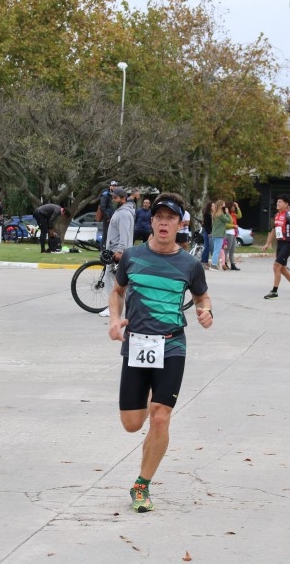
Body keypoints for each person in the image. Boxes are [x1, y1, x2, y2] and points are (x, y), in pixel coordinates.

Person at [106, 192, 213, 513]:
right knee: (131, 423)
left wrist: (206, 312)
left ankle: (142, 484)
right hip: (137, 344)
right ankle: (148, 419)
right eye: (158, 217)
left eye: (171, 217)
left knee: (161, 418)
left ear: (180, 224)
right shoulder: (132, 257)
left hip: (172, 345)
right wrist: (114, 320)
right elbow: (117, 292)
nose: (164, 222)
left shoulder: (190, 264)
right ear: (151, 221)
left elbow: (202, 298)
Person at [98, 187, 135, 317]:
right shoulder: (120, 212)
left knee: (112, 277)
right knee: (121, 280)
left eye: (116, 198)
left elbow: (124, 235)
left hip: (117, 252)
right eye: (112, 197)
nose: (113, 200)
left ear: (123, 198)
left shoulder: (124, 214)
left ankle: (112, 307)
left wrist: (119, 251)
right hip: (114, 250)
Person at [262, 194, 290, 299]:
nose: (277, 203)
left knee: (276, 266)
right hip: (280, 244)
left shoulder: (288, 215)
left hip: (287, 244)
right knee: (283, 269)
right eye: (277, 202)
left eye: (280, 202)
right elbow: (273, 230)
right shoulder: (277, 215)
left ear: (286, 204)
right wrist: (268, 243)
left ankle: (274, 292)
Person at [210, 199, 231, 271]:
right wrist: (227, 213)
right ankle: (213, 265)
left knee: (216, 250)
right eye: (224, 205)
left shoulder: (215, 214)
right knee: (217, 250)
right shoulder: (221, 214)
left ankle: (214, 264)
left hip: (215, 234)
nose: (225, 206)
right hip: (219, 235)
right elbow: (229, 220)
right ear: (221, 206)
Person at [224, 201, 243, 271]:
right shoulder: (227, 215)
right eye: (233, 206)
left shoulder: (233, 214)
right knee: (227, 249)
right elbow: (225, 225)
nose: (234, 208)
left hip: (233, 233)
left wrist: (238, 207)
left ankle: (232, 264)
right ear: (229, 207)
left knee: (232, 250)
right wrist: (233, 226)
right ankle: (225, 263)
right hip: (228, 233)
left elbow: (240, 216)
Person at [99, 180, 118, 247]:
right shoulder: (105, 194)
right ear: (110, 186)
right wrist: (108, 217)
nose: (114, 187)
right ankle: (102, 250)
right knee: (105, 234)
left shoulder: (115, 195)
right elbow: (102, 207)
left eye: (115, 186)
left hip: (114, 217)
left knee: (112, 234)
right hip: (108, 218)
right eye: (113, 186)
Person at [200, 200, 214, 269]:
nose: (214, 207)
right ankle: (203, 261)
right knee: (206, 247)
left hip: (210, 231)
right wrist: (209, 232)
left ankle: (206, 261)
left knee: (208, 247)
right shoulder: (207, 214)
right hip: (207, 232)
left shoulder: (212, 214)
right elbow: (206, 224)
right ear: (210, 206)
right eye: (213, 205)